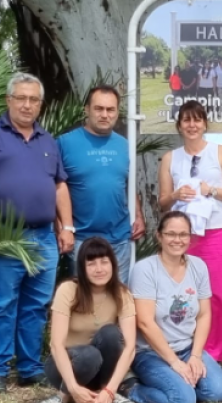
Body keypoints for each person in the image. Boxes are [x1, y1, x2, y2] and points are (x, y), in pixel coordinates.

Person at [0, 72, 71, 393]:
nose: (26, 105)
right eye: (20, 98)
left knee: (36, 305)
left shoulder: (47, 140)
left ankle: (28, 369)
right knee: (2, 304)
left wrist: (67, 226)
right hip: (7, 237)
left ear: (41, 104)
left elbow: (59, 186)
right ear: (8, 100)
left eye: (33, 99)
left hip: (45, 237)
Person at [158, 101, 222, 362]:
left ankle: (214, 354)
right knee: (184, 294)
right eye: (186, 120)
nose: (192, 125)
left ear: (205, 124)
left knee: (216, 294)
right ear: (179, 125)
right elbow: (162, 203)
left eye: (197, 120)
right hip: (183, 236)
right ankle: (183, 349)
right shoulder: (170, 158)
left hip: (217, 233)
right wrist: (175, 194)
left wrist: (212, 191)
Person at [124, 212, 222, 403]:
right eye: (171, 234)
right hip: (151, 354)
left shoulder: (198, 266)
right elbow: (145, 323)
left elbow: (204, 314)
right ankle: (132, 389)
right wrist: (174, 362)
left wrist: (196, 356)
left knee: (219, 392)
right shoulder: (145, 270)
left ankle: (182, 387)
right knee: (183, 402)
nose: (177, 240)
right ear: (159, 236)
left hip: (186, 348)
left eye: (183, 234)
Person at [30, 237, 138, 403]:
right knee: (89, 355)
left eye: (104, 262)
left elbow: (130, 347)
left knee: (111, 333)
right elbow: (56, 345)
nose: (99, 269)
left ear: (113, 264)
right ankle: (63, 396)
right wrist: (73, 387)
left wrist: (110, 390)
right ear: (82, 268)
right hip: (65, 366)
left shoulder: (122, 293)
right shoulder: (68, 290)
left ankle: (104, 391)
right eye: (91, 263)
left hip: (101, 370)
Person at [58, 85, 146, 286]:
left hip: (120, 239)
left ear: (117, 112)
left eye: (110, 109)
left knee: (117, 300)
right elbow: (54, 186)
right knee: (85, 303)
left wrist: (138, 214)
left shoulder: (124, 145)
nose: (105, 115)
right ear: (86, 110)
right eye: (99, 109)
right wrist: (62, 226)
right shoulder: (64, 143)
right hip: (81, 239)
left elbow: (127, 183)